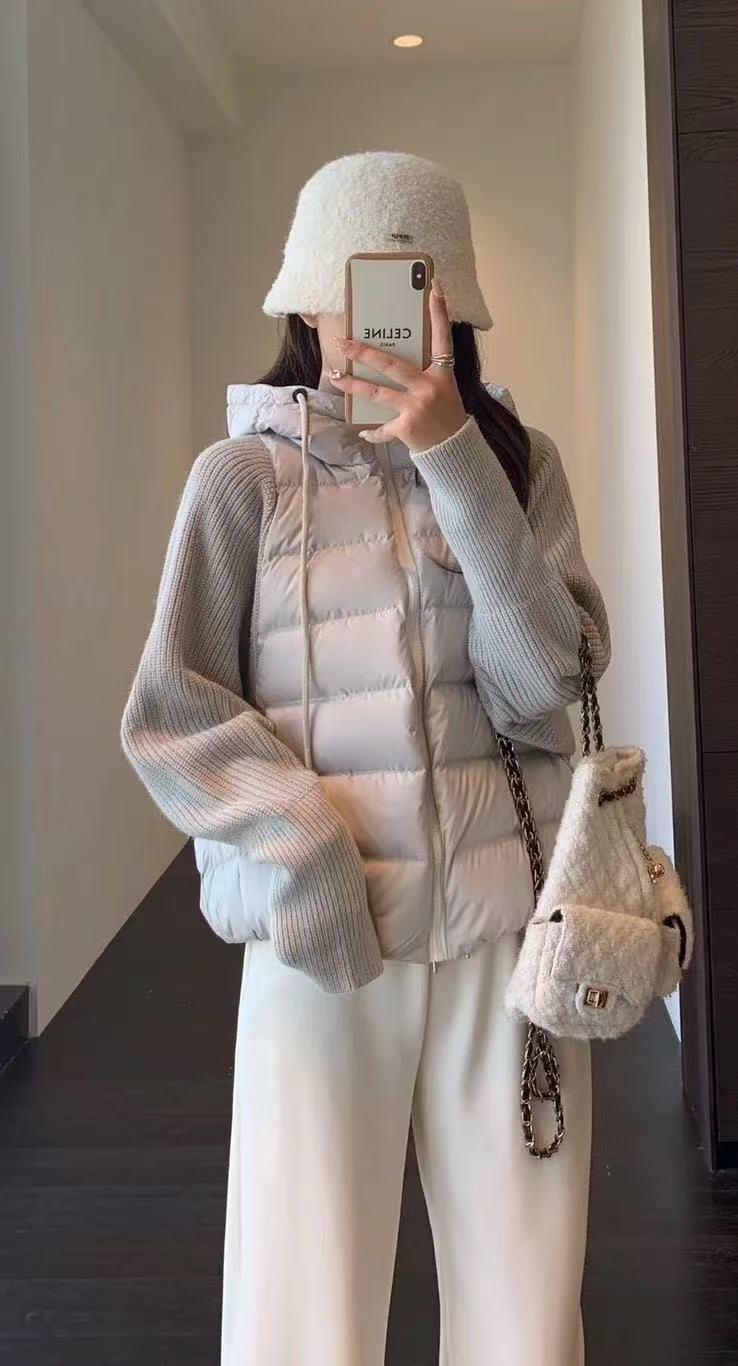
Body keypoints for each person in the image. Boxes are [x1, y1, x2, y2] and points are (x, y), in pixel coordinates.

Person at [119, 149, 610, 1365]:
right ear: (302, 299)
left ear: (451, 305)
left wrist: (454, 458)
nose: (364, 325)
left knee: (526, 1316)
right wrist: (305, 846)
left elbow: (545, 686)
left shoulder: (519, 465)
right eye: (344, 291)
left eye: (399, 289)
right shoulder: (242, 479)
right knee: (302, 1316)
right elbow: (172, 712)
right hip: (322, 936)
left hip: (507, 939)